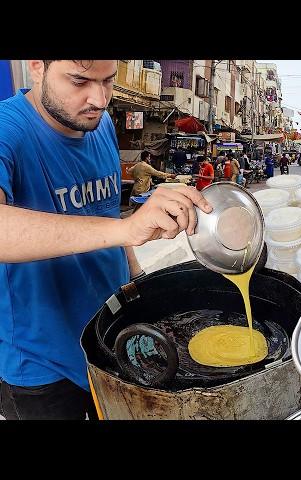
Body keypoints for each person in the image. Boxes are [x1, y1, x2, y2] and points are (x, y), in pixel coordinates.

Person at [0, 60, 213, 420]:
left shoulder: (98, 127)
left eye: (108, 81)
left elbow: (108, 210)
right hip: (42, 363)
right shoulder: (9, 129)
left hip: (111, 334)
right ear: (37, 67)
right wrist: (127, 228)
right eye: (80, 81)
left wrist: (135, 273)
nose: (98, 99)